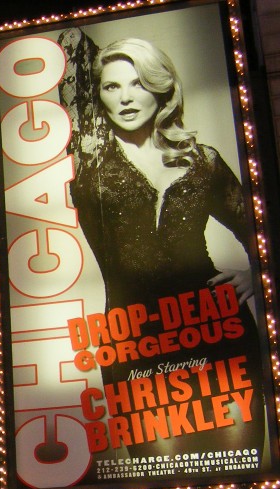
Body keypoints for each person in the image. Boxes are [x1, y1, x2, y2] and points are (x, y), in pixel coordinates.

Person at [59, 31, 265, 458]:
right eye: (112, 86)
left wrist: (257, 274)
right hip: (135, 342)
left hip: (218, 329)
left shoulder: (201, 160)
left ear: (162, 88)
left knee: (238, 475)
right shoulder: (87, 171)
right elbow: (70, 48)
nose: (126, 98)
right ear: (99, 96)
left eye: (138, 83)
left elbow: (261, 229)